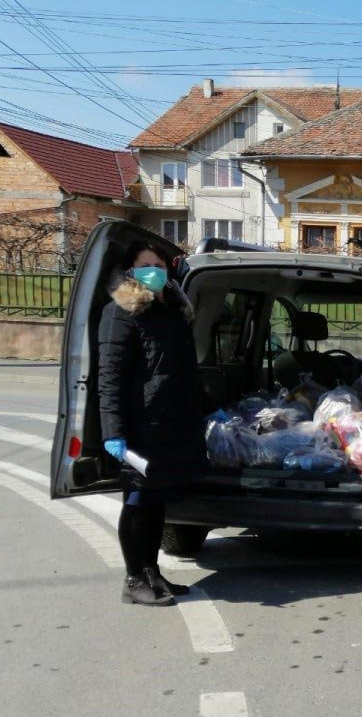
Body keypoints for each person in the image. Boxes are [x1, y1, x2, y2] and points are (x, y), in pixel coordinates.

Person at [99, 241, 209, 607]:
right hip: (140, 426)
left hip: (169, 425)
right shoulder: (121, 312)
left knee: (156, 502)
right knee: (138, 501)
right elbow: (110, 377)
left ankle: (151, 572)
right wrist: (113, 432)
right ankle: (134, 579)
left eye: (160, 263)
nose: (155, 270)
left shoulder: (171, 311)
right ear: (129, 271)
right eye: (146, 264)